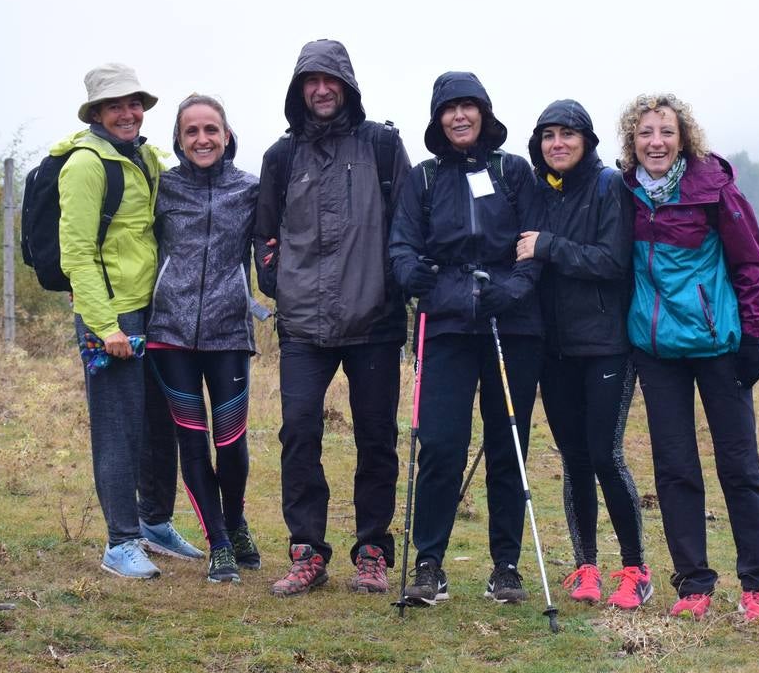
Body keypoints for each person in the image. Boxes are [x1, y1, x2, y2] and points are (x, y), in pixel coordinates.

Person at [253, 39, 412, 597]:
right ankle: (306, 552)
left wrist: (395, 289)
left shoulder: (382, 146)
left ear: (347, 85)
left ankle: (371, 550)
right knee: (297, 432)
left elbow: (406, 227)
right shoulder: (281, 156)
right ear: (299, 90)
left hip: (374, 322)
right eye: (310, 82)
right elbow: (265, 235)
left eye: (330, 80)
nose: (321, 90)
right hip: (302, 327)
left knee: (376, 439)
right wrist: (280, 284)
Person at [618, 93, 759, 622]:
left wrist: (753, 336)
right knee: (674, 470)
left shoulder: (715, 190)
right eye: (645, 133)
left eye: (665, 131)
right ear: (632, 142)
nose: (656, 142)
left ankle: (758, 586)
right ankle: (693, 583)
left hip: (720, 348)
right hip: (657, 352)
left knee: (739, 466)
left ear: (683, 137)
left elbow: (751, 265)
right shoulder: (623, 193)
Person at [390, 72, 544, 607]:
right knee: (439, 444)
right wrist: (412, 275)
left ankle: (506, 566)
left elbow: (534, 243)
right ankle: (429, 562)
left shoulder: (514, 171)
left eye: (468, 107)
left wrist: (517, 287)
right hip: (447, 324)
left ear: (484, 112)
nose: (459, 116)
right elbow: (402, 243)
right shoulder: (424, 178)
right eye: (448, 108)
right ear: (437, 118)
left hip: (511, 325)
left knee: (508, 444)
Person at [56, 62, 204, 578]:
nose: (128, 113)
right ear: (97, 112)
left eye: (134, 103)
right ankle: (120, 542)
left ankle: (155, 523)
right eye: (116, 105)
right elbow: (76, 253)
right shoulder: (86, 165)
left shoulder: (142, 156)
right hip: (112, 316)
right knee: (118, 429)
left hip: (154, 309)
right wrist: (105, 325)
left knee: (161, 424)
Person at [516, 99, 650, 610]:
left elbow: (614, 262)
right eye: (548, 135)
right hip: (554, 348)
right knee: (573, 459)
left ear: (587, 141)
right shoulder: (538, 191)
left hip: (606, 346)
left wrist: (548, 245)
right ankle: (586, 567)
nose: (558, 144)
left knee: (604, 456)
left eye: (568, 134)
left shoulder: (608, 185)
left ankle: (635, 568)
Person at [146, 94, 261, 583]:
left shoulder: (250, 190)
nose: (202, 139)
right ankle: (218, 544)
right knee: (191, 443)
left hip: (230, 332)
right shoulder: (162, 189)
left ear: (227, 135)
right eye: (191, 131)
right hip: (169, 333)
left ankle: (234, 520)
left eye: (210, 129)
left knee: (230, 442)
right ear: (178, 140)